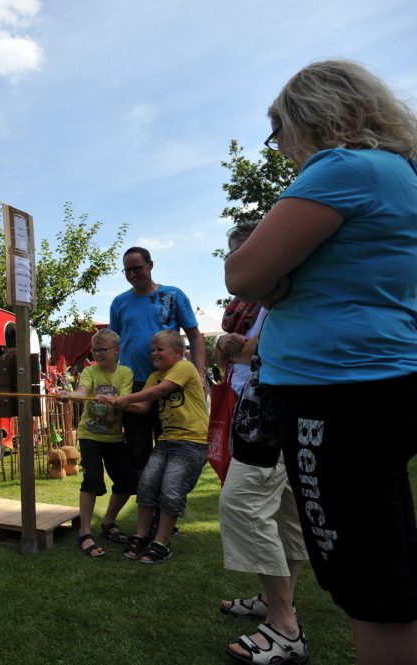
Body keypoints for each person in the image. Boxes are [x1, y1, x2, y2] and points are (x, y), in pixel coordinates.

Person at [226, 60, 417, 664]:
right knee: (384, 548)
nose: (279, 147)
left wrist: (276, 284)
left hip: (335, 390)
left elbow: (244, 272)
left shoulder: (341, 167)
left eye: (276, 130)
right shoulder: (403, 174)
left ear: (307, 116)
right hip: (382, 376)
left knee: (366, 575)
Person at [216, 224, 308, 664]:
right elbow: (267, 343)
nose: (236, 262)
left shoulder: (287, 281)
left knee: (242, 504)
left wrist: (240, 346)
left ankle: (284, 624)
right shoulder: (264, 303)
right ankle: (277, 603)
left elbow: (280, 344)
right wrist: (237, 345)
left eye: (243, 252)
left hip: (275, 412)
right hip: (282, 407)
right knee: (288, 512)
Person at [109, 247, 205, 536]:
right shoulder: (119, 302)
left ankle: (165, 520)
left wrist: (199, 374)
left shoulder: (172, 295)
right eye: (127, 270)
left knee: (171, 450)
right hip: (134, 386)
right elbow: (115, 343)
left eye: (137, 268)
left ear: (150, 265)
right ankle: (149, 518)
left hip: (168, 384)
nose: (132, 274)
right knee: (140, 453)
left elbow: (195, 335)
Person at [97, 330, 208, 564]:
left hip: (191, 442)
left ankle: (161, 543)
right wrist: (116, 403)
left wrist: (126, 398)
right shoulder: (154, 376)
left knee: (170, 489)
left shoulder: (184, 367)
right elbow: (144, 407)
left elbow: (162, 391)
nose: (154, 353)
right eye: (153, 350)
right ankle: (141, 535)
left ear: (178, 353)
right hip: (166, 441)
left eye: (160, 349)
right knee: (146, 484)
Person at [57, 329, 134, 557]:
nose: (98, 354)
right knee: (92, 480)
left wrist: (112, 400)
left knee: (127, 482)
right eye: (95, 350)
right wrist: (70, 395)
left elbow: (126, 400)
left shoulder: (125, 373)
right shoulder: (90, 371)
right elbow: (82, 391)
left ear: (117, 351)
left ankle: (108, 523)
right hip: (90, 435)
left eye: (103, 350)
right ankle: (84, 532)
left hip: (114, 437)